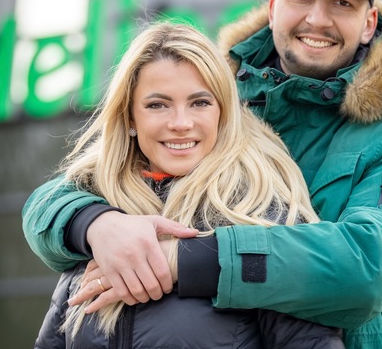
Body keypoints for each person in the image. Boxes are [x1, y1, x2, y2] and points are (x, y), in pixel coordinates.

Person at [23, 0, 382, 349]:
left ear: (370, 22)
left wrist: (182, 261)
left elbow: (368, 270)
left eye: (342, 3)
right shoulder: (213, 99)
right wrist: (96, 223)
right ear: (274, 4)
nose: (318, 19)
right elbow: (66, 191)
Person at [30, 22, 345, 348]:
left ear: (223, 114)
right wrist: (94, 224)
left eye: (199, 103)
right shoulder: (96, 211)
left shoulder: (261, 215)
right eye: (157, 105)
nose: (180, 123)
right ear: (130, 119)